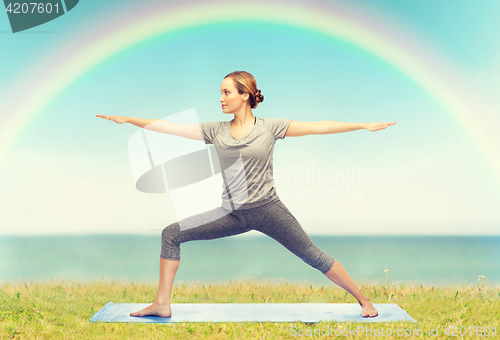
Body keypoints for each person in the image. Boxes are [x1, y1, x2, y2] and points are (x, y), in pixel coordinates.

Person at [96, 71, 396, 319]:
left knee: (313, 256)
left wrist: (362, 125)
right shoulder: (216, 131)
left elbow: (318, 127)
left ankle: (363, 300)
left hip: (268, 210)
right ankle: (162, 304)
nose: (221, 98)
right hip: (231, 213)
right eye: (221, 92)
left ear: (246, 95)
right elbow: (173, 128)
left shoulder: (270, 128)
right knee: (171, 234)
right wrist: (130, 120)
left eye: (227, 92)